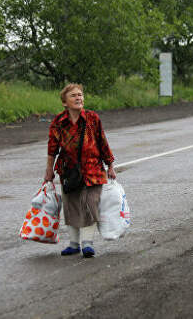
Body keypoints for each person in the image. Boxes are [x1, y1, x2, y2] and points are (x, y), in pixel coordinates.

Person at [44, 83, 116, 258]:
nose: (78, 98)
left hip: (93, 170)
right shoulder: (58, 122)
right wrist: (49, 170)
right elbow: (52, 148)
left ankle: (87, 244)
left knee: (90, 204)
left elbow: (102, 141)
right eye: (73, 96)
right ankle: (74, 244)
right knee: (72, 206)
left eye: (80, 95)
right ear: (65, 102)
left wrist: (110, 165)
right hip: (69, 172)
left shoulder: (92, 118)